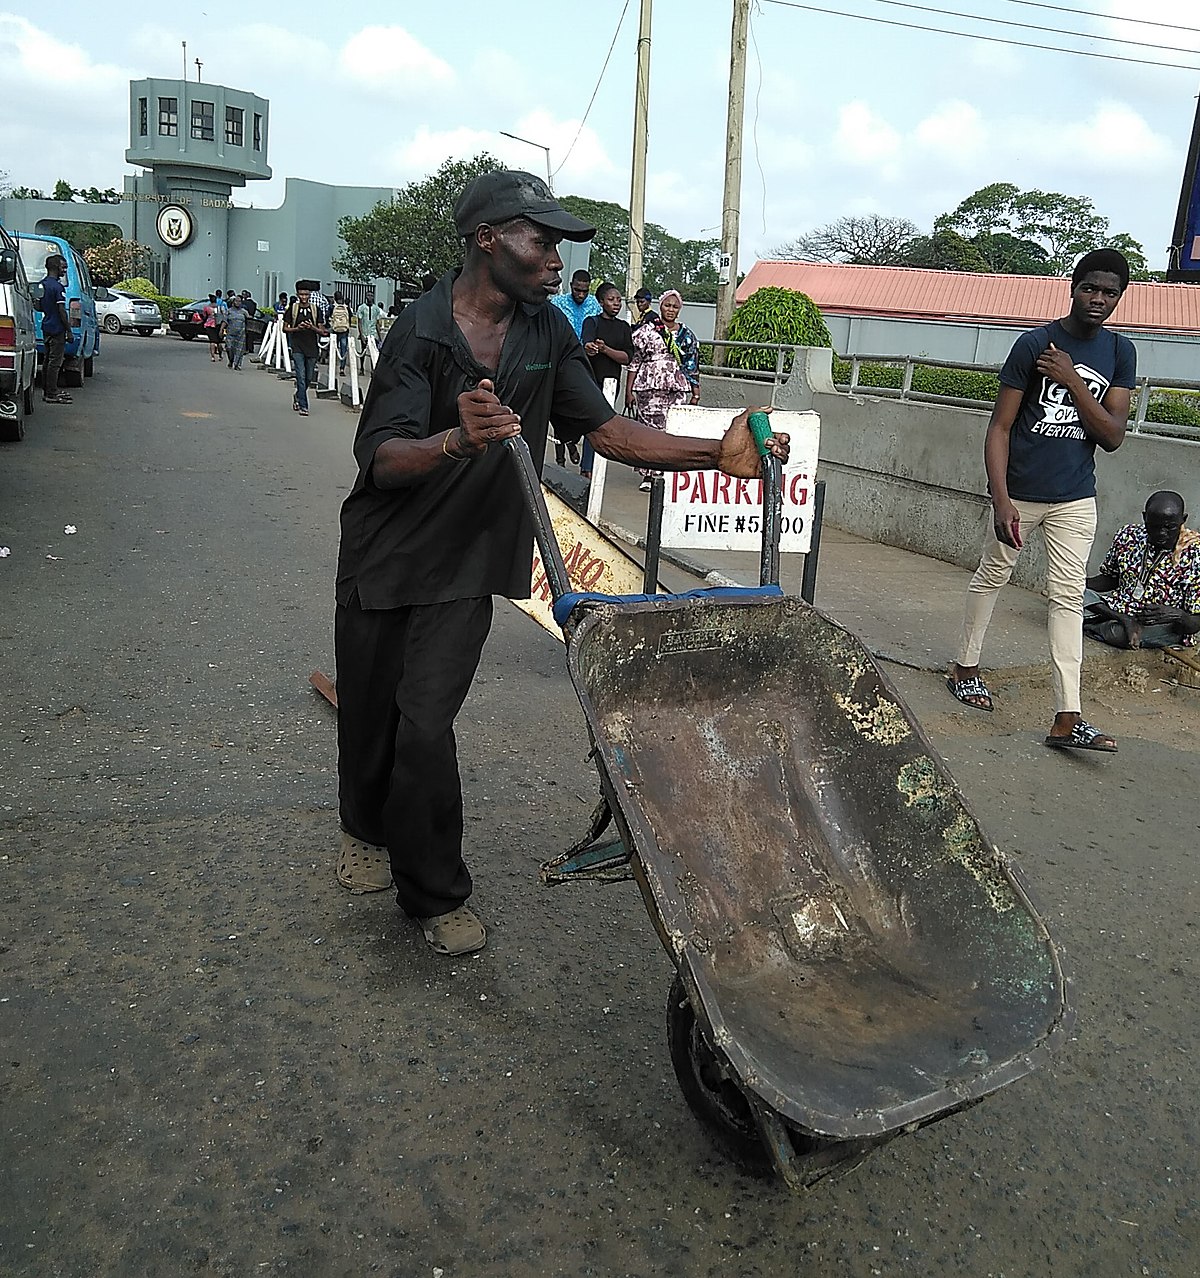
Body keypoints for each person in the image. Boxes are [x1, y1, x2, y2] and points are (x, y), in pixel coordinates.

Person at [332, 170, 788, 956]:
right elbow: (377, 457)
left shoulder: (546, 331)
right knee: (371, 720)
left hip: (471, 558)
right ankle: (366, 830)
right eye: (540, 241)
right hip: (385, 552)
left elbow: (609, 432)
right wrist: (454, 440)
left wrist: (716, 451)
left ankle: (434, 893)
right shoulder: (422, 330)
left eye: (557, 246)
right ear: (486, 240)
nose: (555, 260)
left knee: (424, 724)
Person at [947, 249, 1136, 752]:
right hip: (1021, 494)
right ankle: (965, 666)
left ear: (1119, 298)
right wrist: (1001, 499)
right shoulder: (1034, 344)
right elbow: (1000, 427)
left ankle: (1067, 714)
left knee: (1068, 597)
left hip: (1075, 497)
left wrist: (1073, 380)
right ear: (1072, 288)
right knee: (993, 575)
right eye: (1090, 288)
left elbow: (1113, 436)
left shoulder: (1120, 352)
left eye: (1109, 292)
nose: (1098, 299)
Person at [1083, 490, 1200, 649]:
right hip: (1118, 609)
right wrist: (1079, 584)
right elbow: (1110, 579)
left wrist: (1177, 615)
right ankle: (1120, 621)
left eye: (1170, 527)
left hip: (1160, 626)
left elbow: (1194, 624)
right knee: (1070, 589)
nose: (1161, 533)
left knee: (1118, 634)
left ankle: (1092, 625)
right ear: (1145, 517)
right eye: (1154, 526)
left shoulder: (1194, 553)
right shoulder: (1128, 535)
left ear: (1183, 519)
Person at [625, 292, 693, 491]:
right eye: (667, 305)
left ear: (679, 309)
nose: (670, 310)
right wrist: (629, 391)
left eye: (674, 306)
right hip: (649, 388)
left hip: (675, 388)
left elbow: (691, 364)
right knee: (649, 432)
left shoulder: (685, 335)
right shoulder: (646, 331)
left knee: (671, 431)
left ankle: (667, 474)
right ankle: (648, 475)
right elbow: (634, 362)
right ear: (660, 307)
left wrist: (695, 391)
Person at [579, 281, 633, 479]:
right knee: (590, 422)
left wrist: (606, 350)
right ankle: (587, 467)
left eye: (619, 300)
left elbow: (627, 358)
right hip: (591, 379)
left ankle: (595, 465)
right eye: (611, 300)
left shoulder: (624, 327)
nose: (616, 303)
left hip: (612, 383)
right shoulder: (591, 322)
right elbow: (586, 345)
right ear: (601, 302)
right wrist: (591, 348)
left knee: (602, 423)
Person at [549, 270, 602, 466]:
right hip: (559, 360)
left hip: (583, 363)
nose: (580, 294)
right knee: (555, 408)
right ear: (571, 285)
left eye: (584, 291)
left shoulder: (595, 306)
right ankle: (560, 459)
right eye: (577, 290)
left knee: (576, 407)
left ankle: (572, 442)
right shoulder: (557, 304)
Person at [282, 283, 326, 415]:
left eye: (306, 294)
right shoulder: (293, 309)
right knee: (300, 376)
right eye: (301, 294)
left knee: (308, 377)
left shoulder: (315, 309)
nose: (304, 297)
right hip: (297, 347)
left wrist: (312, 327)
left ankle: (298, 395)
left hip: (312, 347)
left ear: (310, 295)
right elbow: (285, 328)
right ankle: (303, 405)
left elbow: (322, 331)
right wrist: (297, 329)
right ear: (297, 295)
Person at [38, 253, 73, 404]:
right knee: (55, 362)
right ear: (56, 267)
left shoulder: (42, 284)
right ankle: (52, 393)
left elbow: (38, 305)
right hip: (57, 328)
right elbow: (62, 311)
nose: (64, 270)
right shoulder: (57, 287)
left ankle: (48, 391)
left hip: (46, 326)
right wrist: (69, 330)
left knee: (47, 360)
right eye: (63, 267)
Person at [329, 292, 352, 374]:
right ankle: (342, 368)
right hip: (344, 331)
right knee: (343, 349)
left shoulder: (332, 307)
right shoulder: (346, 307)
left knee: (333, 348)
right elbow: (350, 317)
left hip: (334, 330)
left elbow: (327, 316)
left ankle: (332, 365)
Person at [224, 296, 247, 371]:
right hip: (230, 333)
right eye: (236, 301)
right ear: (233, 302)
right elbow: (225, 321)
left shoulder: (244, 312)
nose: (238, 303)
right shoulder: (229, 311)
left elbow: (249, 319)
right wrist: (221, 330)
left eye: (239, 301)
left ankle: (237, 364)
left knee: (239, 350)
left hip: (241, 333)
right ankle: (231, 360)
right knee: (229, 348)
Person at [356, 292, 376, 372]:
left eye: (371, 295)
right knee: (363, 352)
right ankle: (361, 368)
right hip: (364, 332)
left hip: (373, 334)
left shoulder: (376, 309)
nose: (370, 297)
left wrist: (379, 337)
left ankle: (372, 369)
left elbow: (377, 322)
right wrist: (361, 335)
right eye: (368, 295)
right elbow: (359, 322)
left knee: (372, 353)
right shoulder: (361, 308)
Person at [202, 293, 224, 363]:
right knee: (219, 342)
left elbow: (204, 316)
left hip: (209, 325)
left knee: (212, 341)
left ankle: (213, 357)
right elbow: (224, 315)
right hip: (218, 325)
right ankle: (220, 355)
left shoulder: (207, 307)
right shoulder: (220, 307)